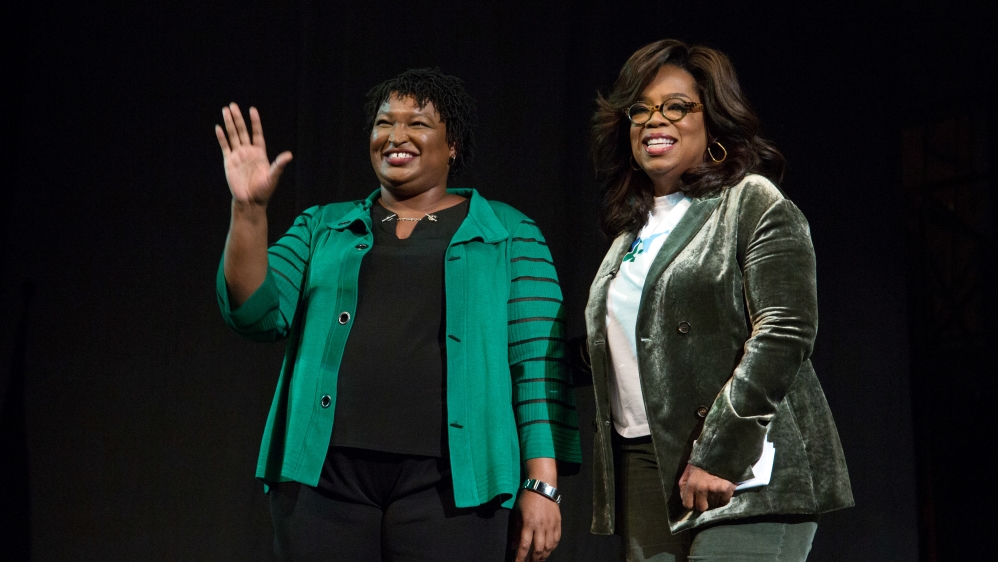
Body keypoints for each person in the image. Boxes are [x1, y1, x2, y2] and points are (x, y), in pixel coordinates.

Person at [214, 68, 581, 562]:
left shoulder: (510, 233)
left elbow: (538, 366)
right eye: (384, 122)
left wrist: (542, 483)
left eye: (419, 124)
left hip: (452, 484)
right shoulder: (325, 226)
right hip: (323, 480)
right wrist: (249, 212)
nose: (396, 136)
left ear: (454, 144)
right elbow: (254, 313)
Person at [584, 40, 854, 561]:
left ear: (714, 121)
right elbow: (630, 341)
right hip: (644, 465)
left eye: (676, 106)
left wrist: (722, 451)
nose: (652, 120)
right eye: (640, 109)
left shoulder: (749, 200)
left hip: (748, 465)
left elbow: (785, 328)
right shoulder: (629, 233)